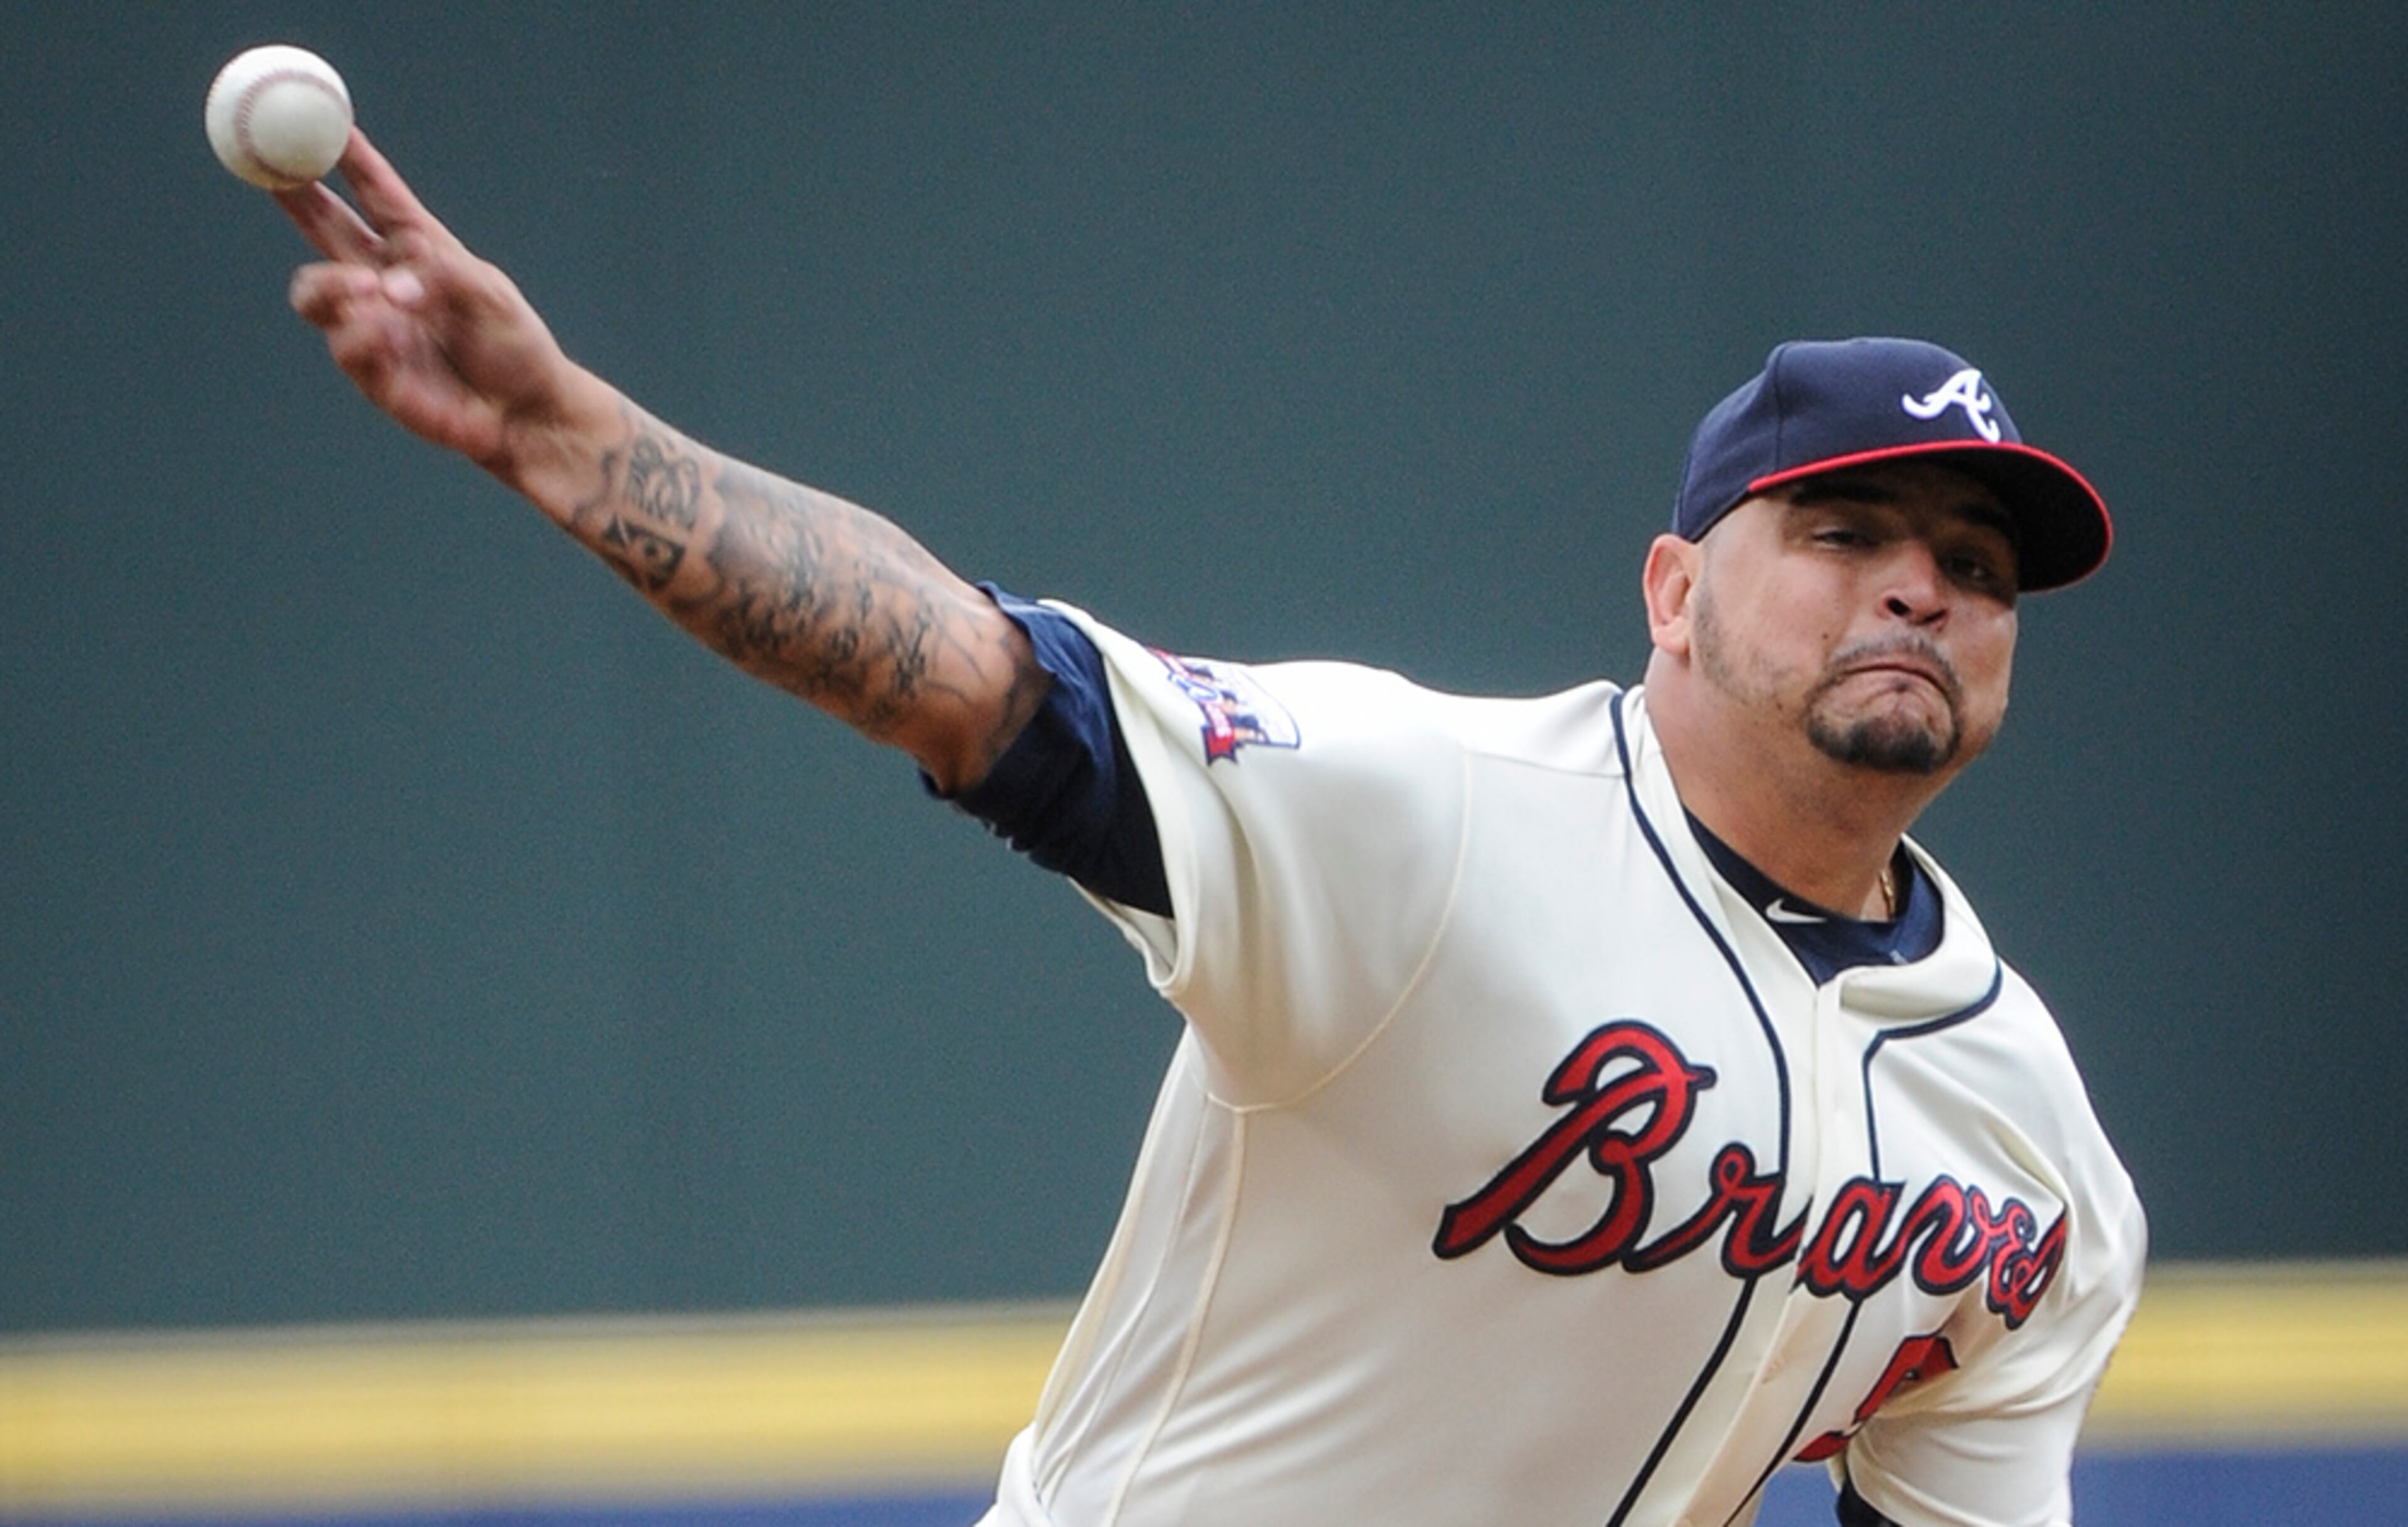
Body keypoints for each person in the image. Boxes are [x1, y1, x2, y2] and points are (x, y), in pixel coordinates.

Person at [276, 130, 2145, 1527]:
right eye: (1844, 533)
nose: (1918, 588)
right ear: (1673, 591)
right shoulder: (1428, 814)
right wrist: (577, 443)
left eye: (1973, 567)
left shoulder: (2032, 1147)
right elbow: (970, 677)